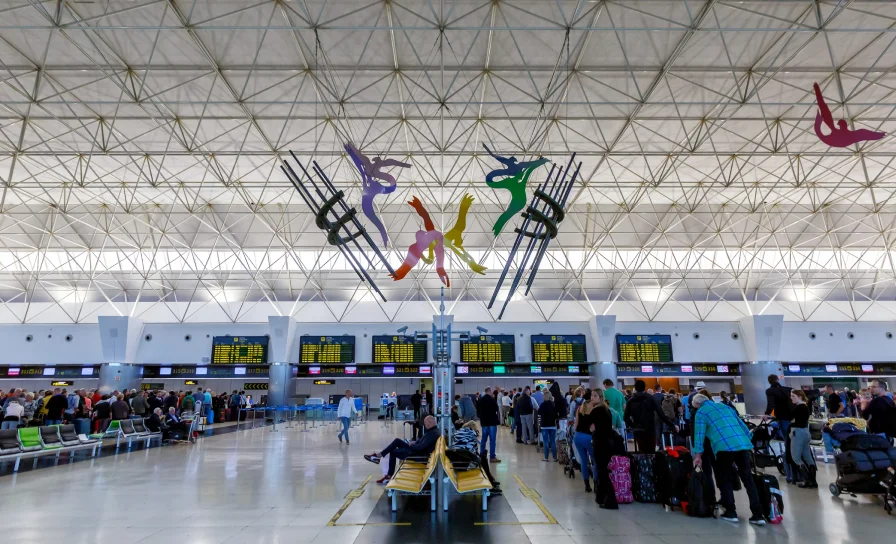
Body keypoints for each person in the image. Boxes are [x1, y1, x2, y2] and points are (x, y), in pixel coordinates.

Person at [691, 394, 765, 525]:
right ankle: (758, 515)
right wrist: (748, 441)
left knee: (725, 478)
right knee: (748, 480)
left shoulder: (701, 412)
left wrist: (698, 455)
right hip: (742, 445)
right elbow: (743, 426)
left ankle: (731, 512)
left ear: (697, 404)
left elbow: (699, 435)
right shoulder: (726, 407)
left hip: (723, 447)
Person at [365, 415, 441, 484]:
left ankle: (387, 472)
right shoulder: (433, 431)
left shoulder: (433, 433)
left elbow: (421, 447)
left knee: (393, 452)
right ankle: (379, 456)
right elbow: (422, 442)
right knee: (397, 441)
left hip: (417, 455)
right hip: (416, 451)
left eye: (425, 423)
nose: (425, 425)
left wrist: (412, 445)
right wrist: (414, 442)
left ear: (430, 423)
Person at [623, 380, 677, 452]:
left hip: (638, 430)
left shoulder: (630, 401)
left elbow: (625, 417)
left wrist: (633, 425)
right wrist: (672, 425)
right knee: (651, 451)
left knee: (641, 451)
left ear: (635, 388)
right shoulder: (651, 398)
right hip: (650, 429)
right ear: (644, 388)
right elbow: (661, 414)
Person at [589, 388, 619, 510]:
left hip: (600, 444)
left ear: (600, 397)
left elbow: (591, 427)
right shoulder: (607, 410)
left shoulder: (596, 411)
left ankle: (611, 500)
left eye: (595, 396)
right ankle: (600, 497)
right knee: (602, 470)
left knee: (602, 472)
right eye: (592, 395)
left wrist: (593, 429)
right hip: (608, 443)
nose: (592, 397)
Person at [453, 420, 501, 495]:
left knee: (483, 459)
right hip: (466, 462)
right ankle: (491, 483)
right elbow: (471, 450)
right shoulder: (470, 434)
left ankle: (491, 480)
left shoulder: (461, 432)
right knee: (483, 460)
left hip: (461, 459)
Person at [765, 374, 797, 483]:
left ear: (769, 382)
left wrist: (766, 414)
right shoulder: (787, 389)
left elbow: (771, 405)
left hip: (782, 419)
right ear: (778, 380)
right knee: (792, 442)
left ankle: (790, 473)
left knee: (788, 443)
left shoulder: (770, 391)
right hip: (792, 419)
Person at [789, 389, 818, 488]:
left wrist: (793, 420)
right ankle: (813, 481)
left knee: (796, 458)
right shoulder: (805, 407)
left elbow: (792, 419)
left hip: (798, 433)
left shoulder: (798, 408)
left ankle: (807, 480)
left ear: (800, 397)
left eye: (793, 396)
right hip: (805, 432)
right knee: (808, 457)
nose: (791, 398)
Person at [573, 391, 599, 492]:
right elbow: (594, 427)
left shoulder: (580, 408)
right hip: (589, 437)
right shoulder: (594, 409)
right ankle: (596, 484)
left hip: (578, 436)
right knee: (595, 461)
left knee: (584, 461)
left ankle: (587, 485)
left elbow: (576, 425)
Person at [478, 387, 501, 463]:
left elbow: (478, 410)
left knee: (483, 439)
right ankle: (492, 457)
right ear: (489, 391)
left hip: (484, 422)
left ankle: (481, 455)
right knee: (492, 440)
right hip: (492, 423)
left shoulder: (481, 400)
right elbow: (496, 409)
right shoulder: (492, 400)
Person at [538, 391, 559, 462]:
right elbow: (556, 415)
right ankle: (555, 457)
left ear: (545, 396)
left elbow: (539, 413)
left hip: (544, 425)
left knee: (545, 442)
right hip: (553, 425)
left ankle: (546, 458)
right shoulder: (554, 405)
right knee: (553, 441)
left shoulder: (542, 405)